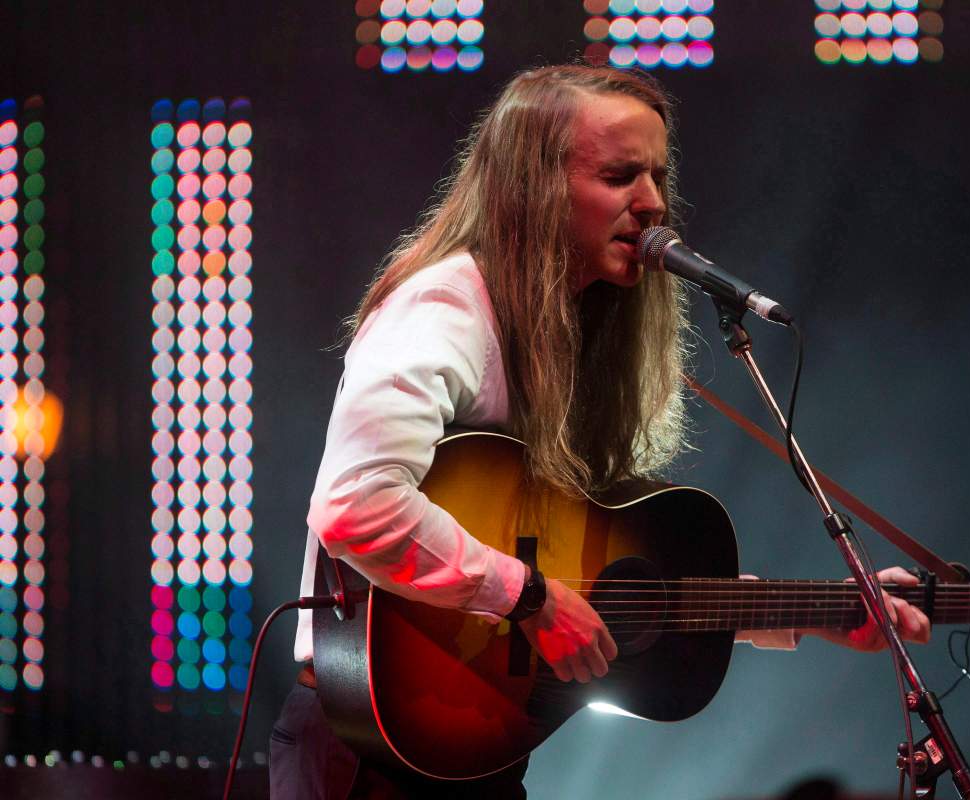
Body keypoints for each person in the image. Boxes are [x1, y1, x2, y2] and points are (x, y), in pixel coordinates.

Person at [270, 64, 931, 800]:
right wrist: (529, 598)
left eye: (657, 176)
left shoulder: (573, 336)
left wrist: (820, 611)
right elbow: (355, 507)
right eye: (619, 176)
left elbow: (590, 568)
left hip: (477, 750)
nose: (653, 203)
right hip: (370, 751)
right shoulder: (443, 312)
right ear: (532, 187)